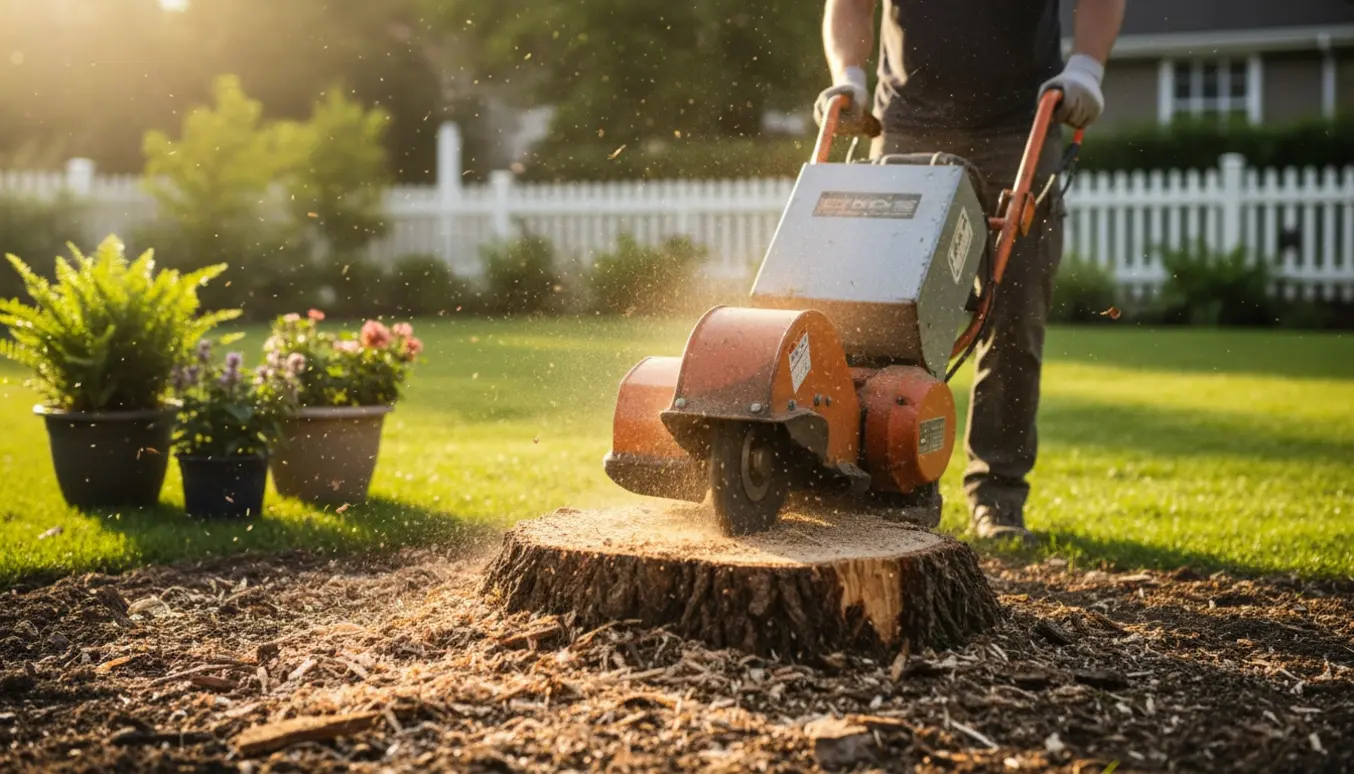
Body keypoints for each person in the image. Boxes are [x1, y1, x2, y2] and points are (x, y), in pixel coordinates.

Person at [815, 0, 1124, 541]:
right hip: (907, 123)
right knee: (884, 316)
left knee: (1014, 316)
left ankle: (998, 498)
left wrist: (1087, 69)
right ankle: (887, 484)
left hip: (1021, 124)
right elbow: (850, 6)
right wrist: (849, 76)